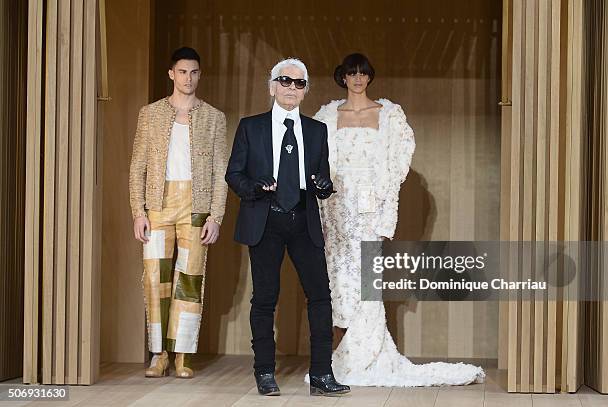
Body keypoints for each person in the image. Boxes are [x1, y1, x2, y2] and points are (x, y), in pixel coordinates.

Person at [314, 53, 486, 386]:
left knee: (366, 281)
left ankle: (366, 356)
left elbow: (399, 157)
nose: (358, 79)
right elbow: (317, 157)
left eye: (363, 73)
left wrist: (382, 199)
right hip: (335, 210)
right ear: (343, 77)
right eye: (352, 73)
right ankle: (337, 355)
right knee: (336, 281)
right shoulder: (327, 114)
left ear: (369, 77)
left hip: (368, 210)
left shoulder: (388, 114)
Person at [225, 58, 350, 397]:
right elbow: (233, 175)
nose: (291, 88)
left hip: (303, 220)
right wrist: (255, 186)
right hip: (265, 219)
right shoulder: (250, 127)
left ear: (305, 90)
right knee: (265, 299)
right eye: (285, 81)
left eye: (299, 83)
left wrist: (324, 185)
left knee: (321, 297)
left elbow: (319, 179)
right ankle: (265, 372)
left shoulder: (315, 130)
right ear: (272, 86)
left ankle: (322, 375)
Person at [129, 46, 228, 379]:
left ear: (200, 74)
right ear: (172, 73)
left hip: (196, 206)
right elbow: (138, 166)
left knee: (190, 279)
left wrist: (216, 216)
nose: (189, 78)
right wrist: (137, 211)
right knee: (155, 280)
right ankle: (159, 354)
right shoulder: (151, 114)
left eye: (194, 72)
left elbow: (220, 171)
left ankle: (183, 354)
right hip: (158, 204)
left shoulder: (214, 117)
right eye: (183, 71)